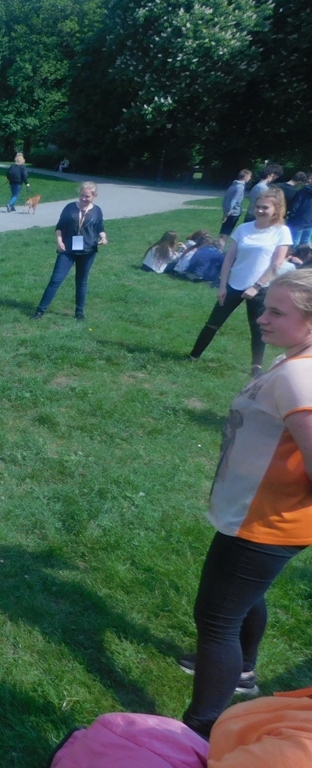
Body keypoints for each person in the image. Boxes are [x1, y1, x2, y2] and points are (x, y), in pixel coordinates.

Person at [179, 269, 312, 739]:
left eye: (277, 312)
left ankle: (199, 731)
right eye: (265, 307)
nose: (261, 318)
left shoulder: (299, 376)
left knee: (216, 620)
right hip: (261, 516)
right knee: (245, 598)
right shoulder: (295, 361)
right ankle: (243, 671)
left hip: (264, 522)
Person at [188, 187, 293, 377]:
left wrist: (256, 286)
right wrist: (222, 286)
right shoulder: (244, 228)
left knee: (258, 328)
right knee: (213, 323)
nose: (260, 210)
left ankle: (256, 368)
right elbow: (229, 258)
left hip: (260, 288)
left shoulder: (281, 231)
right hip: (233, 285)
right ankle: (193, 356)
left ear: (276, 210)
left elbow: (277, 263)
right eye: (258, 206)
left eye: (265, 208)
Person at [31, 181, 108, 321]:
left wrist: (103, 237)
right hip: (67, 250)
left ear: (94, 196)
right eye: (81, 195)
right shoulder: (70, 208)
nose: (83, 199)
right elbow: (59, 226)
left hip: (87, 251)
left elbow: (100, 228)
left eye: (87, 196)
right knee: (55, 280)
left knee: (81, 281)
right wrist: (59, 241)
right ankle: (40, 311)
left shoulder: (97, 211)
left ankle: (79, 313)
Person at [220, 169, 251, 237]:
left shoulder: (233, 185)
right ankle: (221, 243)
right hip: (233, 213)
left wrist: (225, 212)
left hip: (228, 211)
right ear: (245, 177)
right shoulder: (240, 187)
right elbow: (234, 200)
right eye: (249, 177)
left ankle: (218, 243)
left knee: (222, 233)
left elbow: (225, 198)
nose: (249, 178)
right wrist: (228, 212)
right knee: (225, 234)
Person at [286, 177, 312, 247]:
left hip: (298, 220)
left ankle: (291, 254)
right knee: (305, 243)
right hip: (310, 222)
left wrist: (290, 216)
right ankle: (303, 254)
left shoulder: (303, 191)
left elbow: (296, 205)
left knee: (294, 242)